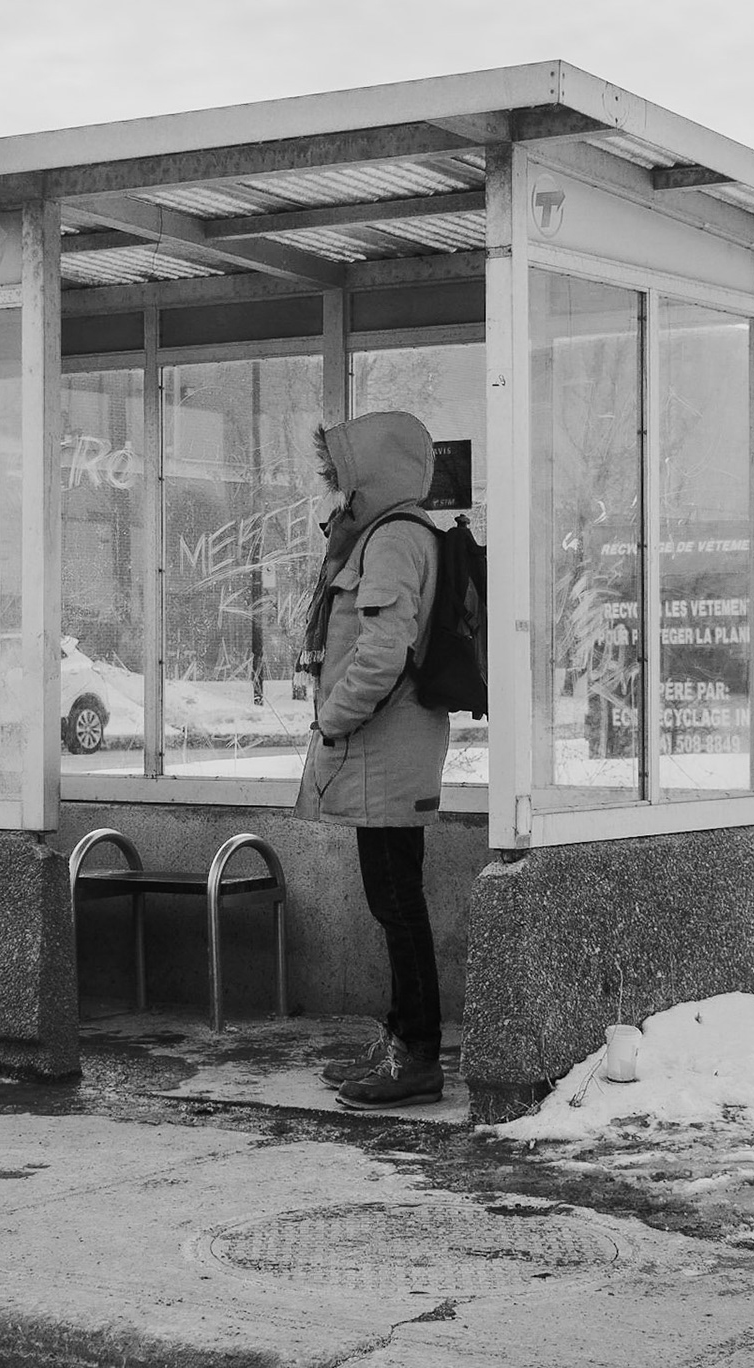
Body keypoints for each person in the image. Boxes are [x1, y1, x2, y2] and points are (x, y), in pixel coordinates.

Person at [295, 410, 450, 1109]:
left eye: (340, 473)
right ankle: (399, 1042)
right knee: (393, 905)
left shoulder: (391, 540)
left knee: (398, 908)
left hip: (382, 751)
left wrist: (332, 719)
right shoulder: (395, 534)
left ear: (372, 472)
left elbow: (383, 654)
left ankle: (416, 1057)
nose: (335, 487)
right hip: (386, 750)